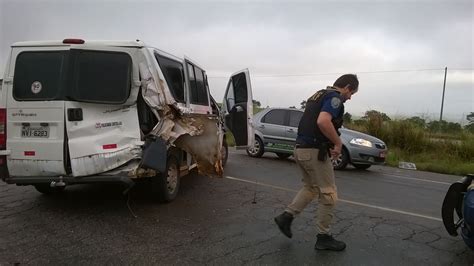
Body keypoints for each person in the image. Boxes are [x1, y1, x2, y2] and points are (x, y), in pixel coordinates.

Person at [274, 74, 359, 251]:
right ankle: (323, 237)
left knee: (311, 188)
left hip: (300, 149)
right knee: (328, 193)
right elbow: (322, 121)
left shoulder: (318, 95)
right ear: (347, 87)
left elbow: (313, 124)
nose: (350, 97)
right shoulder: (334, 98)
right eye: (351, 93)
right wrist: (337, 142)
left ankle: (286, 217)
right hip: (313, 151)